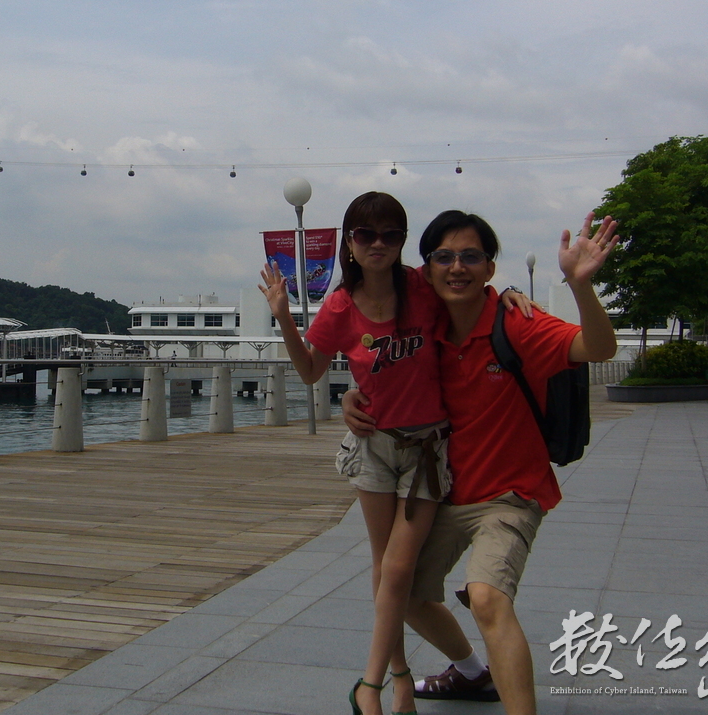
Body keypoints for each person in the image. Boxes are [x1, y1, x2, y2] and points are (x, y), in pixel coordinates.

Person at [259, 193, 534, 715]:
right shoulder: (340, 306)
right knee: (384, 566)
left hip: (427, 449)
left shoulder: (421, 287)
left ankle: (370, 686)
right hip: (374, 447)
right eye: (366, 234)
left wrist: (510, 292)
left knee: (399, 567)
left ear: (403, 241)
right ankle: (400, 676)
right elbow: (312, 371)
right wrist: (284, 319)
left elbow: (467, 286)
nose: (378, 244)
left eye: (391, 234)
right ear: (350, 243)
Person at [343, 210, 618, 715]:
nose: (457, 267)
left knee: (487, 597)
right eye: (443, 257)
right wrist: (352, 397)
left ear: (490, 268)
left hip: (510, 495)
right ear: (426, 269)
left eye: (470, 256)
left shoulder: (516, 323)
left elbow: (598, 347)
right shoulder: (424, 326)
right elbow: (382, 368)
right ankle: (472, 675)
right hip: (446, 492)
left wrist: (581, 286)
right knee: (400, 591)